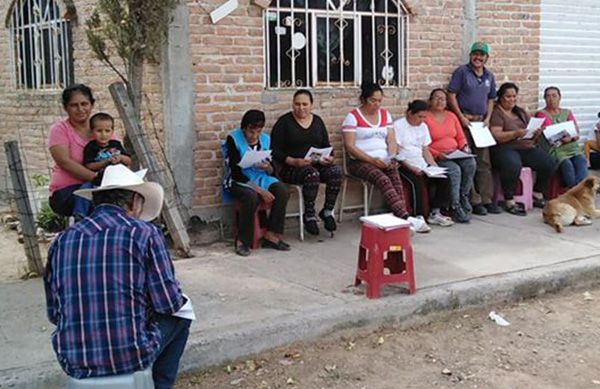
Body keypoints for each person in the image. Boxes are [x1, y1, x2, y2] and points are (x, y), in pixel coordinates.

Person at [44, 164, 192, 389]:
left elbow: (55, 313)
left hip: (73, 361)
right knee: (181, 317)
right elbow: (169, 303)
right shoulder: (144, 233)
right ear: (134, 201)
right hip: (131, 356)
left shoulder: (63, 240)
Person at [342, 83, 429, 232]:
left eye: (379, 101)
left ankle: (401, 219)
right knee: (383, 179)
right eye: (373, 100)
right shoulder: (353, 117)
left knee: (395, 178)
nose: (376, 104)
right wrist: (372, 160)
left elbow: (391, 140)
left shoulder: (385, 115)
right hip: (360, 161)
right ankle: (405, 218)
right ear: (363, 99)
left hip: (384, 159)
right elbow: (350, 146)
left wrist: (391, 156)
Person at [271, 90, 342, 236]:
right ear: (292, 104)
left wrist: (329, 158)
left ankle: (327, 211)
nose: (301, 108)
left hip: (316, 164)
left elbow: (325, 145)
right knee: (312, 174)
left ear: (311, 105)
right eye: (297, 104)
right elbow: (274, 150)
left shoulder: (317, 121)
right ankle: (309, 214)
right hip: (292, 168)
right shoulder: (284, 122)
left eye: (305, 104)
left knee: (336, 171)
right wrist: (292, 161)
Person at [48, 84, 119, 218]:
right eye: (74, 105)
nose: (80, 109)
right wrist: (97, 179)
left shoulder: (102, 129)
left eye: (84, 104)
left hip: (103, 187)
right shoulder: (59, 130)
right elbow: (64, 162)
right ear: (65, 108)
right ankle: (80, 232)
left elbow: (117, 153)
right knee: (101, 205)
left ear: (92, 105)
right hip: (67, 192)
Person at [225, 109, 290, 256]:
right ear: (244, 128)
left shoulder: (266, 140)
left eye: (258, 132)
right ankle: (242, 240)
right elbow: (235, 173)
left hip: (261, 177)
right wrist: (260, 190)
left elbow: (272, 171)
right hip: (240, 180)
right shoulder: (233, 139)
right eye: (251, 132)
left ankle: (271, 234)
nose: (254, 136)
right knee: (251, 197)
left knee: (282, 191)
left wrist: (267, 167)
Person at [447, 41, 501, 216]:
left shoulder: (489, 76)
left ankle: (486, 199)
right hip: (465, 122)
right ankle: (474, 200)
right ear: (470, 55)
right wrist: (460, 117)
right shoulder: (462, 72)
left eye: (481, 55)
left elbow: (491, 98)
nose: (478, 57)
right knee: (468, 160)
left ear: (487, 58)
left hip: (481, 124)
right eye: (475, 54)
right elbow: (451, 95)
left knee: (484, 162)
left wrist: (488, 118)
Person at [489, 82, 555, 216]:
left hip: (525, 146)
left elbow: (529, 131)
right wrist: (515, 134)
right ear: (500, 97)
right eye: (508, 97)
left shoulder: (520, 112)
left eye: (514, 96)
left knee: (548, 162)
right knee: (513, 164)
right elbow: (496, 136)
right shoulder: (497, 113)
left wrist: (535, 133)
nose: (512, 99)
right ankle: (509, 199)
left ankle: (537, 192)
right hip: (504, 148)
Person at [394, 99, 455, 226]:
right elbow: (396, 151)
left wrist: (434, 167)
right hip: (403, 163)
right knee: (416, 182)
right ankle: (419, 215)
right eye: (419, 116)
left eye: (424, 117)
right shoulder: (398, 126)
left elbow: (425, 150)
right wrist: (410, 167)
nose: (422, 120)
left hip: (420, 162)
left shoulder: (423, 127)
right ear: (410, 113)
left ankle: (435, 212)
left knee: (444, 178)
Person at [425, 88, 477, 223]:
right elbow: (423, 144)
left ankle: (463, 195)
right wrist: (438, 154)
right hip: (438, 155)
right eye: (436, 98)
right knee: (455, 170)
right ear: (430, 101)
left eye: (443, 99)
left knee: (470, 163)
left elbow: (460, 137)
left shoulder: (451, 116)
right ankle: (455, 205)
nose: (440, 101)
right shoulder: (425, 117)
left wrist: (465, 148)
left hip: (455, 152)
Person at [535, 86, 588, 188]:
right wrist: (567, 134)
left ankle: (578, 190)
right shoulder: (542, 114)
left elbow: (576, 132)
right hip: (556, 150)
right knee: (567, 165)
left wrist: (570, 138)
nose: (551, 99)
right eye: (548, 96)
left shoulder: (567, 112)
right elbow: (552, 135)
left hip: (572, 147)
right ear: (544, 99)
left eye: (554, 96)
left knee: (581, 160)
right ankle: (576, 190)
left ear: (559, 97)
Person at [83, 112, 132, 185]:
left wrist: (121, 158)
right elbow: (89, 166)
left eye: (107, 131)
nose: (103, 134)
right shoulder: (91, 146)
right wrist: (105, 162)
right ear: (92, 131)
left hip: (120, 177)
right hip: (101, 180)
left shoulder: (116, 144)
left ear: (112, 131)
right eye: (99, 131)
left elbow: (129, 161)